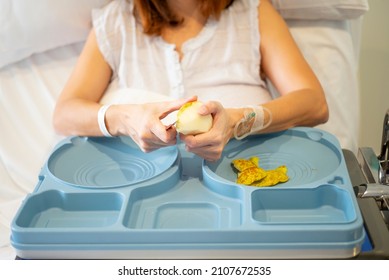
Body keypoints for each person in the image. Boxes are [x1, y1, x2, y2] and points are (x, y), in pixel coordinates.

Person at [53, 0, 329, 162]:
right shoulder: (117, 21)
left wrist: (239, 121)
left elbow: (314, 103)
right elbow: (65, 115)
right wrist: (126, 119)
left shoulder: (252, 13)